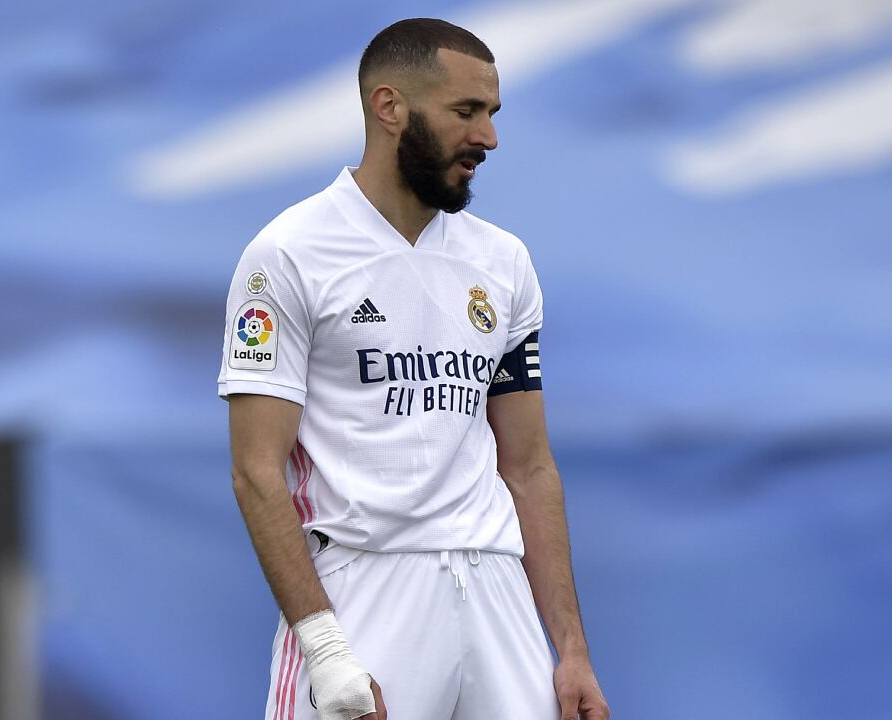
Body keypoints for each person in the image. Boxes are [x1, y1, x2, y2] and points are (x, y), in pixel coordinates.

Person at [218, 18, 609, 720]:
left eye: (491, 113)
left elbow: (528, 466)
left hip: (496, 592)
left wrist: (571, 651)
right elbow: (255, 470)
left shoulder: (504, 263)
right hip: (364, 591)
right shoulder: (287, 255)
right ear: (389, 106)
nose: (488, 138)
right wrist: (325, 647)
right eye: (466, 112)